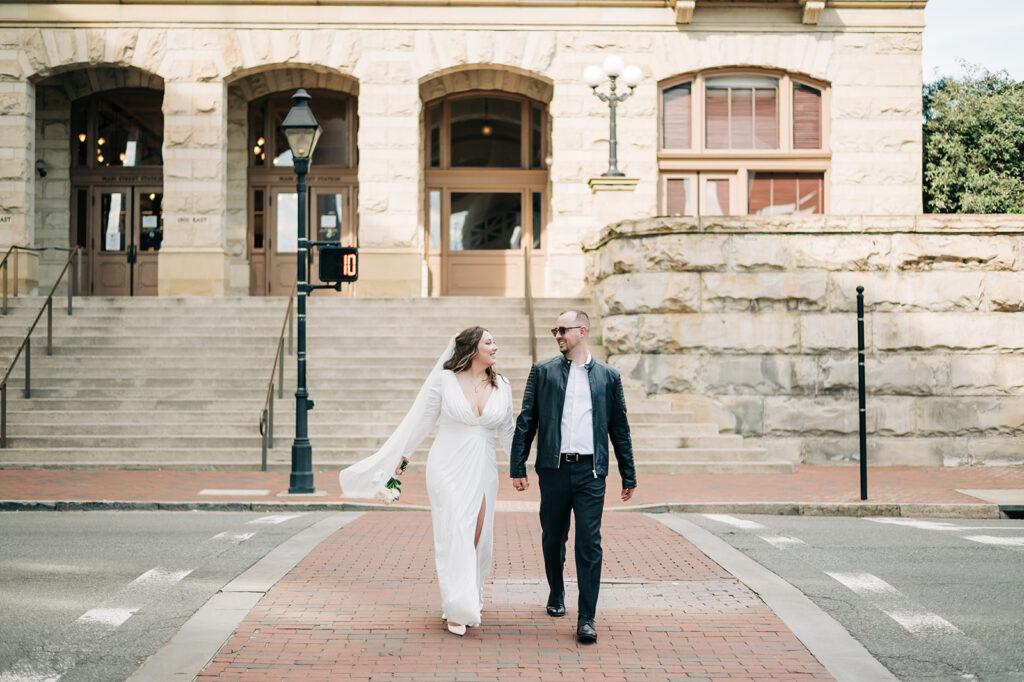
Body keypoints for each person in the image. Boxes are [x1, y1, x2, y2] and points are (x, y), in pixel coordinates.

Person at [338, 327, 514, 637]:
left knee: (478, 538)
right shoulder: (444, 381)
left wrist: (519, 467)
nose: (496, 347)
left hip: (484, 467)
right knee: (456, 531)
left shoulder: (502, 385)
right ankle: (458, 608)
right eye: (489, 342)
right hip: (447, 466)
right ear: (472, 349)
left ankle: (468, 595)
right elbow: (422, 421)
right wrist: (402, 458)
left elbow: (508, 430)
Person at [510, 310, 636, 644]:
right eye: (555, 330)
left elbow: (619, 428)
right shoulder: (543, 372)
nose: (557, 335)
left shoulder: (608, 376)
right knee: (553, 536)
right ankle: (556, 591)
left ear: (582, 331)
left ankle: (587, 618)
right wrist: (517, 465)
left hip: (591, 472)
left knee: (589, 542)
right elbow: (527, 420)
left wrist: (628, 473)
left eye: (562, 330)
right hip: (553, 469)